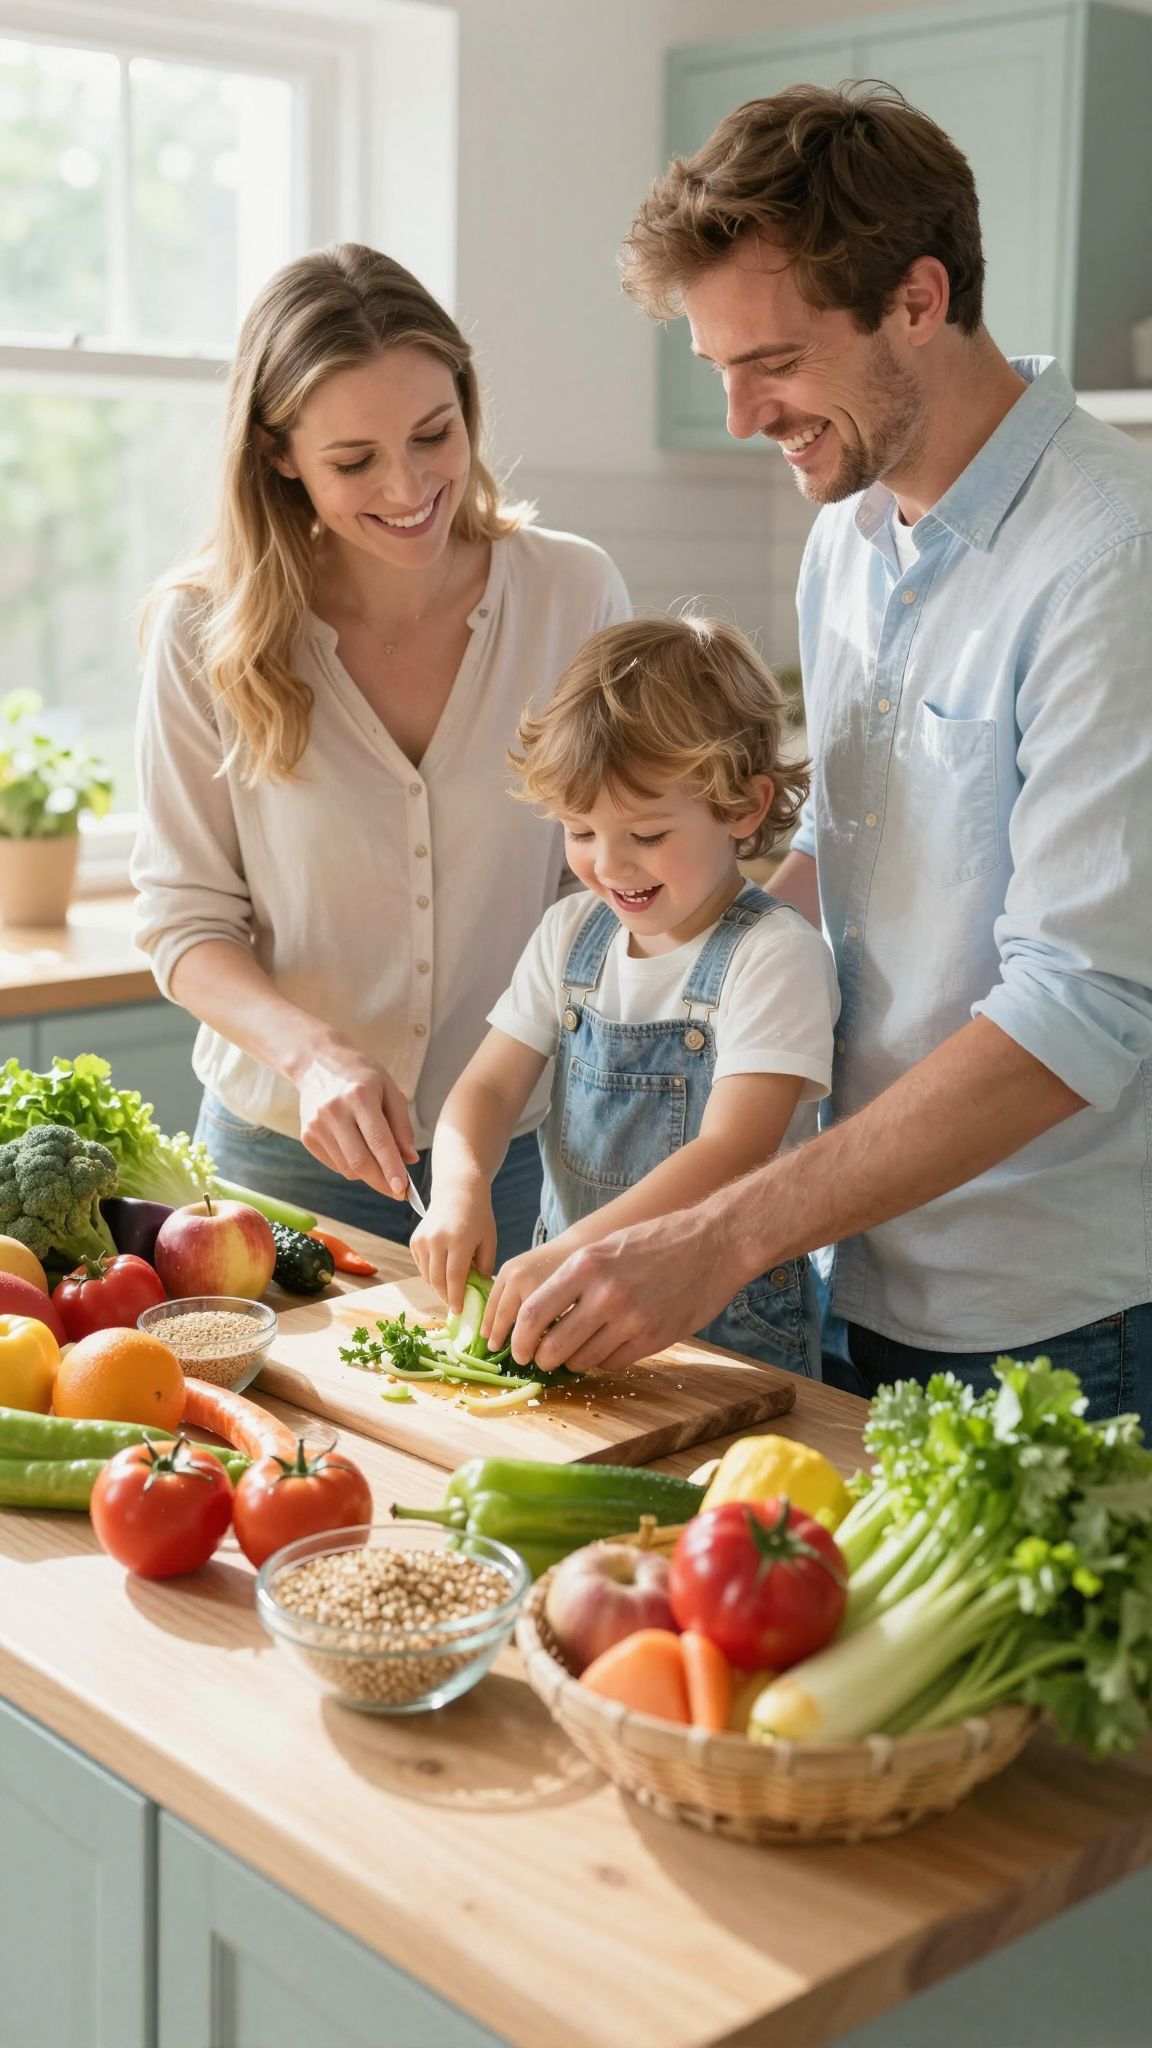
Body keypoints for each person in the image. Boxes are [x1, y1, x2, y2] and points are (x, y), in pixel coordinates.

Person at [503, 85, 1152, 1423]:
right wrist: (674, 936)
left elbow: (1076, 1013)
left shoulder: (1110, 558)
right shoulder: (848, 539)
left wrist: (721, 1235)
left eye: (777, 363)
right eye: (719, 370)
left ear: (919, 297)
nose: (744, 417)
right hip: (859, 1276)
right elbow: (860, 871)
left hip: (1055, 1318)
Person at [132, 244, 629, 1254]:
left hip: (512, 1156)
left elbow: (606, 886)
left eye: (433, 433)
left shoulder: (572, 596)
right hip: (269, 1163)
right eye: (353, 461)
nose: (408, 487)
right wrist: (312, 1054)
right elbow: (184, 921)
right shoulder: (204, 630)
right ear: (277, 453)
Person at [411, 614, 839, 1377]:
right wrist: (458, 1187)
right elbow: (483, 1088)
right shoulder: (570, 932)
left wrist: (575, 1255)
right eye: (580, 832)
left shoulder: (775, 956)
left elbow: (733, 1152)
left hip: (729, 1347)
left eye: (645, 835)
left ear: (742, 808)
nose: (609, 866)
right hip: (577, 1326)